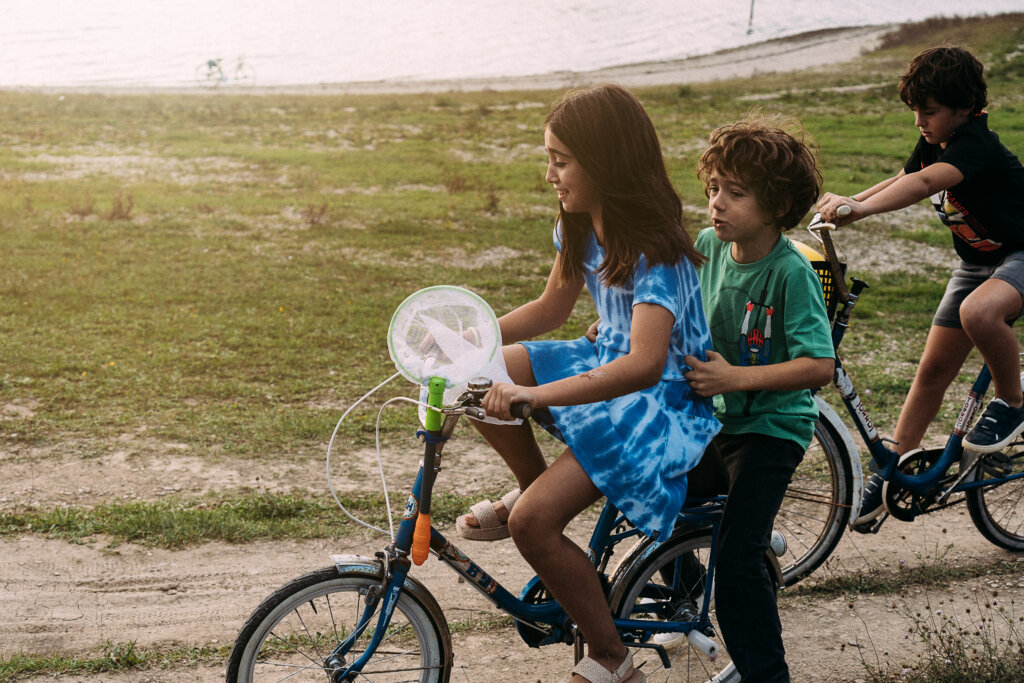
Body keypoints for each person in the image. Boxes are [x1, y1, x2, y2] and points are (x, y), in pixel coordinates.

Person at [455, 84, 720, 683]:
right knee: (479, 375)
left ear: (605, 164)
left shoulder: (656, 248)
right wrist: (465, 344)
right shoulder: (579, 223)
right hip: (605, 363)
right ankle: (532, 486)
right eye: (548, 157)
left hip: (658, 406)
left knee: (531, 527)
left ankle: (610, 655)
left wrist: (535, 396)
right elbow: (552, 306)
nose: (549, 173)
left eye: (561, 160)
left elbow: (647, 365)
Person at [818, 46, 1024, 530]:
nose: (919, 123)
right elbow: (906, 175)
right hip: (979, 262)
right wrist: (849, 203)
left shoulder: (974, 144)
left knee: (980, 314)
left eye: (928, 112)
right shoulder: (939, 139)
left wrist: (863, 211)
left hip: (1020, 253)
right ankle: (895, 468)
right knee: (931, 371)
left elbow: (927, 183)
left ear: (963, 107)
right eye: (915, 111)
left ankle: (1014, 404)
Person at [684, 119, 835, 682]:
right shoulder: (707, 246)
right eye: (714, 188)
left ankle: (767, 676)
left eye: (735, 193)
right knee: (660, 496)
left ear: (776, 207)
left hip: (772, 428)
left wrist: (733, 380)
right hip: (719, 417)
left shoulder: (791, 272)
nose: (717, 204)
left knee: (739, 560)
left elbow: (819, 366)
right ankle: (683, 595)